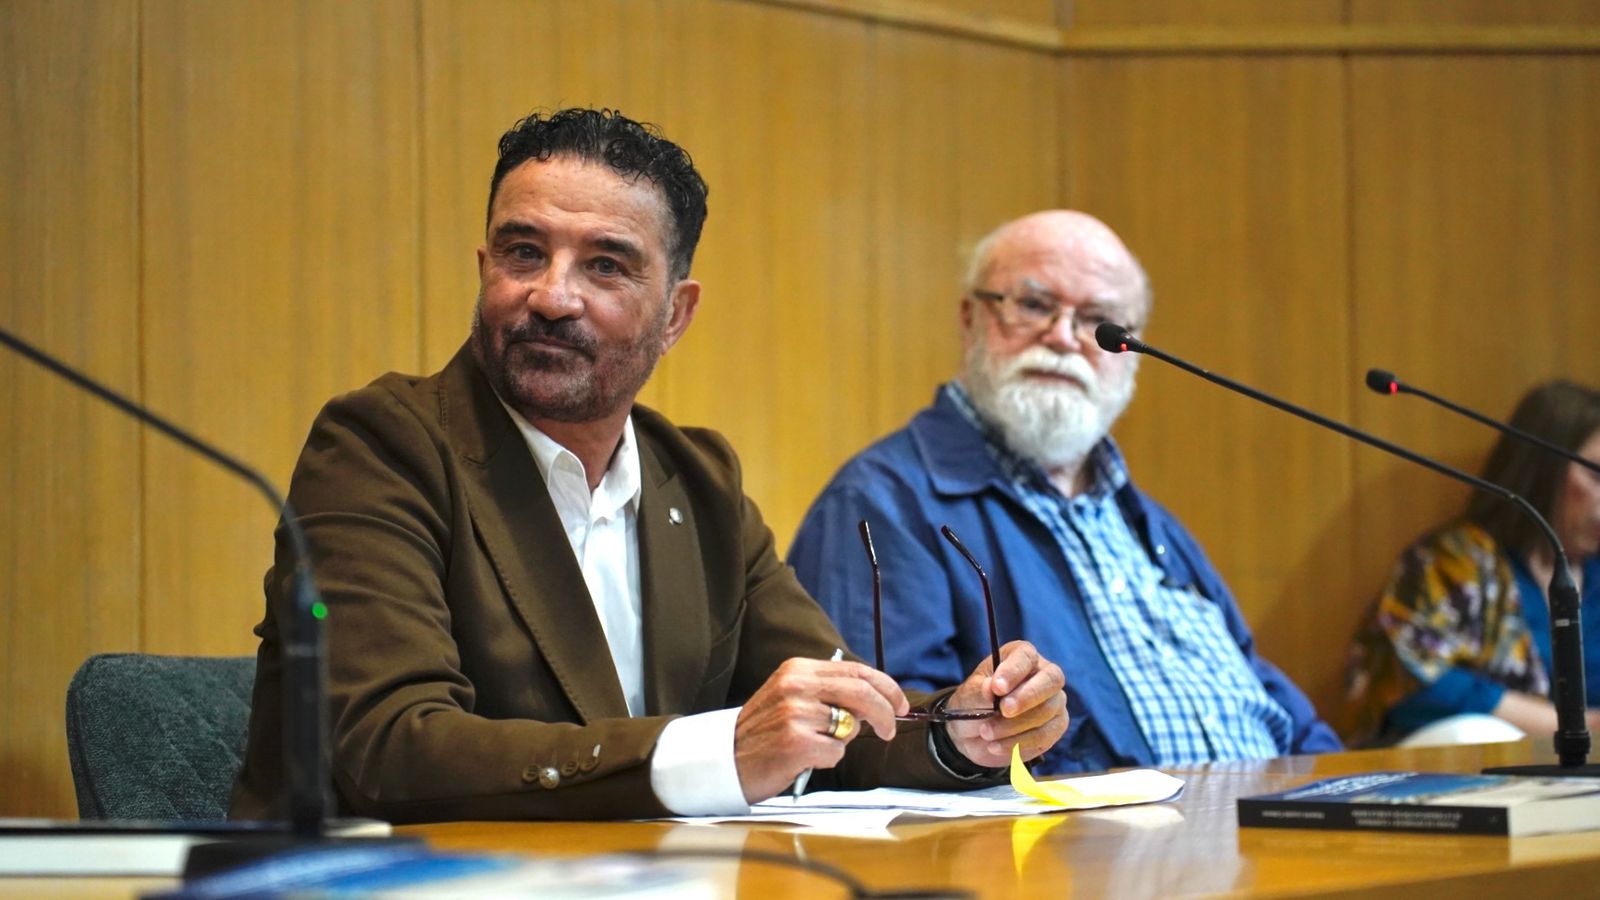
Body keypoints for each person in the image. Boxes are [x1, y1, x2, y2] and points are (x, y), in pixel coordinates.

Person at [229, 109, 1068, 823]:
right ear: (484, 269)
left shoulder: (696, 478)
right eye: (524, 252)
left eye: (605, 265)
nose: (553, 295)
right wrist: (718, 752)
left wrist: (962, 729)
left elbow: (833, 722)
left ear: (676, 314)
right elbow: (391, 747)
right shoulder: (380, 446)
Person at [788, 210, 1340, 775]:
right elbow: (873, 744)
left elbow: (1271, 704)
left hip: (1279, 833)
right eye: (1032, 304)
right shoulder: (881, 505)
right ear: (970, 318)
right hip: (1089, 851)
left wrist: (1352, 789)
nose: (1063, 337)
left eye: (1098, 319)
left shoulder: (1150, 523)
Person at [1343, 380, 1600, 746]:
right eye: (1596, 476)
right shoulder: (1454, 559)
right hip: (1463, 764)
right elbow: (1408, 678)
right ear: (1545, 469)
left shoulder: (1595, 572)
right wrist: (1571, 724)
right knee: (1475, 732)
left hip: (1581, 772)